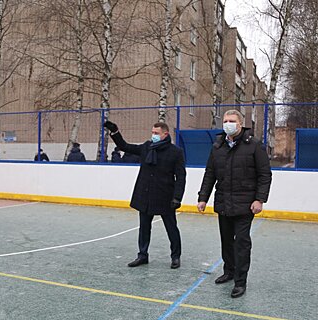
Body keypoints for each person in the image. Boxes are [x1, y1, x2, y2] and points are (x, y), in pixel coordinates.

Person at [197, 109, 272, 298]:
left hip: (245, 205)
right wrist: (203, 197)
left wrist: (259, 199)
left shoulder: (254, 146)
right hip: (224, 203)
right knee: (226, 241)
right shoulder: (218, 146)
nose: (228, 124)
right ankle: (229, 271)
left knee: (242, 243)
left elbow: (265, 175)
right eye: (225, 121)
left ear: (240, 124)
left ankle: (240, 281)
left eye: (232, 121)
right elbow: (210, 174)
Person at [104, 120, 186, 269]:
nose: (153, 135)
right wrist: (115, 132)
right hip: (145, 194)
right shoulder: (147, 147)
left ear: (165, 134)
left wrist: (177, 197)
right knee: (144, 227)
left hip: (165, 196)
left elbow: (181, 177)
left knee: (171, 228)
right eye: (152, 132)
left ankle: (175, 256)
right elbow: (125, 146)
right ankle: (142, 255)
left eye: (156, 133)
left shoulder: (175, 152)